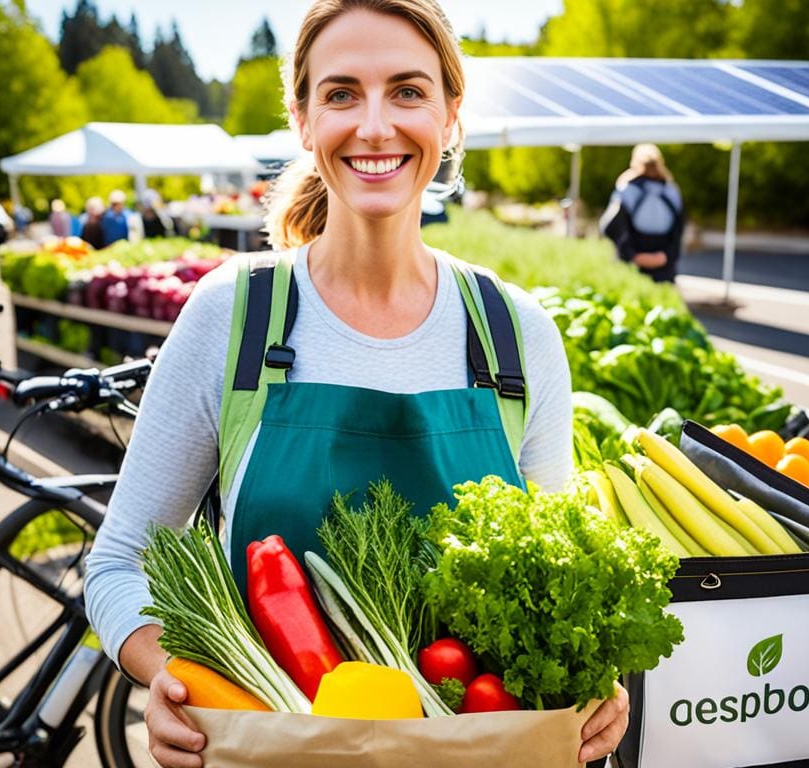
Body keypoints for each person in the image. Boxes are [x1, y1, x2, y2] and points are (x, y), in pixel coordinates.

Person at [83, 2, 629, 767]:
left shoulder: (515, 333)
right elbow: (117, 564)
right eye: (342, 94)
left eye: (407, 91)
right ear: (303, 120)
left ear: (450, 114)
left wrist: (597, 680)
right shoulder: (235, 317)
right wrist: (170, 673)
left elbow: (561, 583)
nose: (375, 126)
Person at [599, 143, 685, 283]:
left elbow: (610, 227)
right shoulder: (671, 191)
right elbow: (679, 229)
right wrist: (666, 256)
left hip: (633, 266)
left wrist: (633, 255)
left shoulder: (626, 190)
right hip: (663, 265)